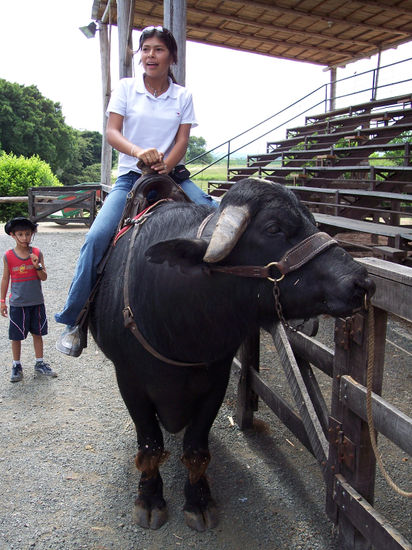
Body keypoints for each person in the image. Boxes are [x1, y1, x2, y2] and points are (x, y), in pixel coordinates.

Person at [55, 25, 217, 357]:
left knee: (215, 219)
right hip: (131, 177)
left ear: (171, 56)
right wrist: (138, 151)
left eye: (158, 49)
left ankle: (231, 304)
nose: (150, 56)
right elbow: (112, 132)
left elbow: (182, 140)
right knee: (97, 238)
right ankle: (76, 318)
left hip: (172, 175)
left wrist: (167, 165)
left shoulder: (183, 96)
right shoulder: (126, 89)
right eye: (145, 49)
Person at [1, 217, 56, 382]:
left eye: (28, 234)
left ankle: (39, 363)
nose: (25, 238)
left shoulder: (37, 253)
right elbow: (5, 279)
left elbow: (43, 277)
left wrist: (36, 265)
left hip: (36, 302)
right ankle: (16, 365)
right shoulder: (8, 256)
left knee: (37, 333)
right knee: (16, 336)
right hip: (18, 303)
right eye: (20, 234)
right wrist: (2, 301)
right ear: (13, 235)